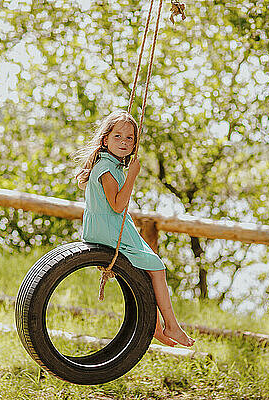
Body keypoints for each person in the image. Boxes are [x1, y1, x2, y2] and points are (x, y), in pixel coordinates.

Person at [74, 110, 194, 347]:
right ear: (105, 139)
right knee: (157, 267)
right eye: (118, 136)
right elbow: (118, 206)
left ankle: (156, 327)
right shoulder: (106, 169)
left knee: (146, 270)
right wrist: (132, 176)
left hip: (108, 226)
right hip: (108, 229)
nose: (124, 142)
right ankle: (170, 325)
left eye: (130, 139)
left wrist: (127, 174)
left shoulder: (109, 163)